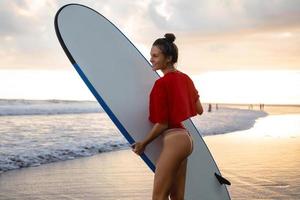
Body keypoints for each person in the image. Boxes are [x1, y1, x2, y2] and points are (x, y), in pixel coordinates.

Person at [132, 33, 203, 200]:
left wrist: (143, 143)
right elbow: (199, 109)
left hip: (174, 141)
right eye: (151, 55)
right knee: (177, 198)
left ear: (168, 58)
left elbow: (163, 124)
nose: (151, 59)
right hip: (186, 140)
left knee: (159, 197)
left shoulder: (161, 83)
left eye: (155, 56)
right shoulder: (186, 78)